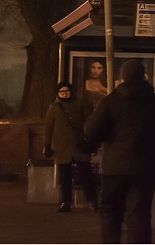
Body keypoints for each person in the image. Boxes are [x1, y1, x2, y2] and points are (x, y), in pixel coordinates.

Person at [84, 60, 155, 243]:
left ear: (122, 76)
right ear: (144, 75)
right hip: (146, 167)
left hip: (114, 168)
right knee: (140, 213)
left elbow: (92, 131)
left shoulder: (109, 102)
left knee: (110, 210)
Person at [43, 81, 98, 213]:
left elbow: (89, 121)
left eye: (67, 91)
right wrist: (47, 145)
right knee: (64, 177)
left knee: (86, 175)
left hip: (79, 145)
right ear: (58, 93)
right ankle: (66, 202)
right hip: (62, 147)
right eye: (62, 92)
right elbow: (48, 127)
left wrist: (90, 139)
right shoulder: (54, 107)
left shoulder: (80, 104)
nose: (65, 94)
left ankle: (93, 201)